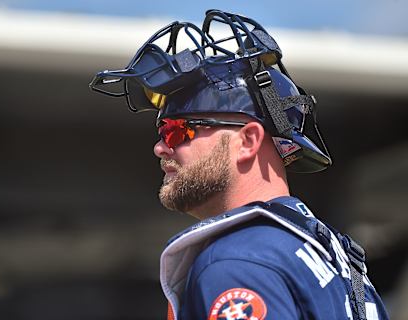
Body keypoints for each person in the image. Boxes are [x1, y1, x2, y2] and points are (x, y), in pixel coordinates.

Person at [90, 9, 389, 320]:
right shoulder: (336, 257)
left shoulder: (236, 261)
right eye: (162, 132)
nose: (160, 147)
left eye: (179, 130)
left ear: (247, 142)